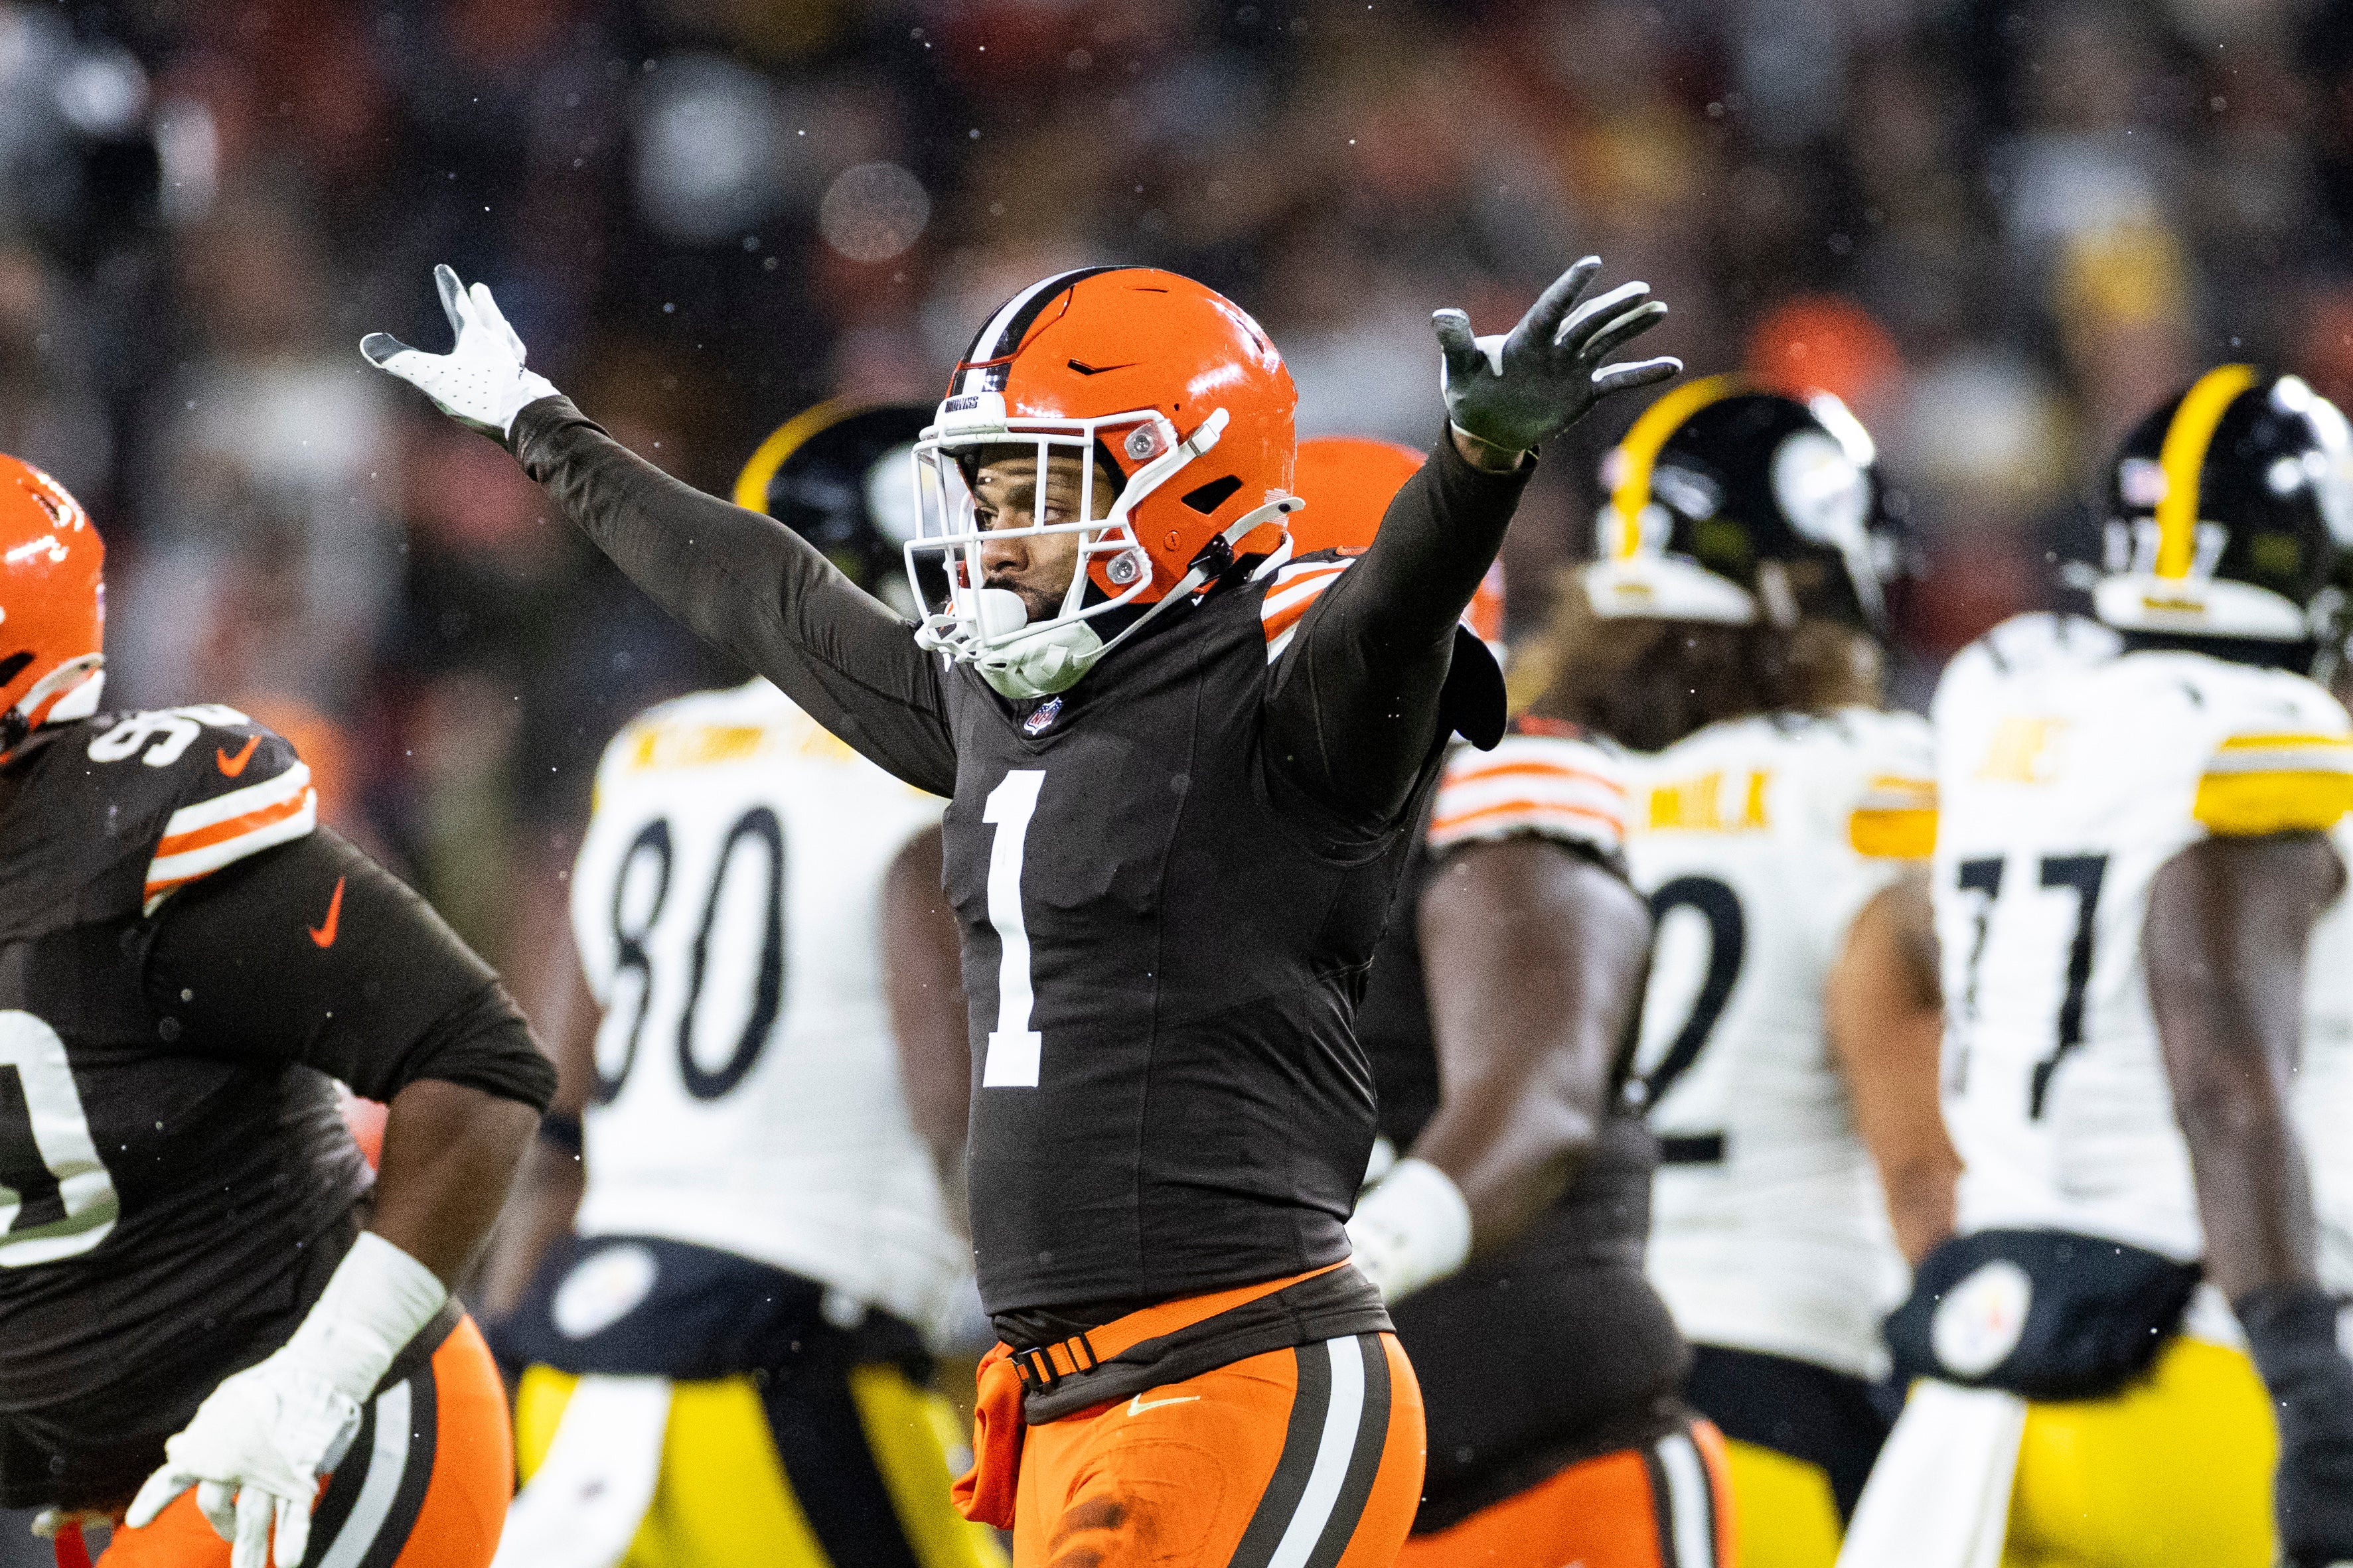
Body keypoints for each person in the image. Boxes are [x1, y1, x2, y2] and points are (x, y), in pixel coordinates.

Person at [363, 257, 1678, 1565]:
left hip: (1241, 1368)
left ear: (1188, 476)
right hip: (1059, 1400)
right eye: (984, 494)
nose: (992, 539)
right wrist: (540, 424)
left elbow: (1394, 615)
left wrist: (1477, 462)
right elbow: (763, 593)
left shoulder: (1287, 707)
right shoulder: (999, 710)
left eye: (1036, 492)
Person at [0, 453, 556, 1568]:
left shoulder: (123, 841)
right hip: (133, 1481)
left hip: (319, 1438)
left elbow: (480, 1063)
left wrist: (317, 1381)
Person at [474, 402, 1002, 1568]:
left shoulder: (650, 752)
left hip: (576, 1355)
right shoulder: (942, 766)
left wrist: (505, 1352)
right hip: (802, 1352)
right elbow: (954, 1105)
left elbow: (555, 1115)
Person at [1841, 366, 2353, 1568]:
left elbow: (1897, 941)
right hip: (2206, 1362)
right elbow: (2220, 1080)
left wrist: (1926, 1210)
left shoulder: (2003, 698)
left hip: (1983, 1383)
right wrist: (2303, 1372)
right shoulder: (2260, 734)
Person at [1509, 379, 1951, 1567]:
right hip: (1776, 1377)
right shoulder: (1860, 777)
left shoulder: (1517, 778)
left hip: (1530, 1398)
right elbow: (1921, 1165)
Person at [1292, 437, 1733, 1567]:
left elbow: (1534, 1110)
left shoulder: (1498, 777)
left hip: (1536, 1453)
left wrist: (1323, 1282)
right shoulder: (1217, 822)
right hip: (1326, 1468)